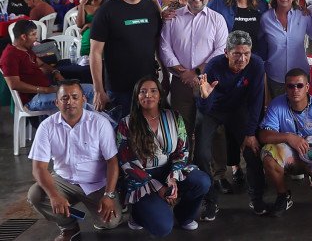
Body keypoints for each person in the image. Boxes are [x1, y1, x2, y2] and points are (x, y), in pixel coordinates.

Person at [27, 80, 122, 241]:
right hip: (63, 180)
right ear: (57, 102)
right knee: (36, 195)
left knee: (110, 222)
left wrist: (109, 195)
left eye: (74, 97)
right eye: (64, 98)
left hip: (96, 183)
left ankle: (99, 213)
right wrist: (54, 195)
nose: (69, 101)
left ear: (83, 99)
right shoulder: (46, 126)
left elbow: (112, 161)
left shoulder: (100, 123)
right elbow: (39, 168)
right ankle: (69, 227)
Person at [116, 77, 211, 236]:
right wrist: (159, 187)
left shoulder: (174, 116)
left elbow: (182, 150)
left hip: (169, 170)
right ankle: (138, 216)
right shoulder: (126, 123)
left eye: (153, 91)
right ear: (136, 97)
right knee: (162, 228)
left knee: (202, 181)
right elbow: (126, 162)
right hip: (141, 178)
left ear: (160, 95)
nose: (148, 95)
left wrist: (173, 177)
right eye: (143, 92)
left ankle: (184, 216)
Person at [194, 31, 266, 220]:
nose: (242, 59)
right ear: (226, 52)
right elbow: (203, 107)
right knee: (201, 153)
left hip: (237, 110)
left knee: (252, 149)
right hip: (213, 110)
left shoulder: (257, 65)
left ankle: (256, 198)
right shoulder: (213, 66)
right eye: (237, 54)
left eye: (246, 54)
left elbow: (256, 101)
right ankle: (210, 201)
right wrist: (204, 97)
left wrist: (250, 133)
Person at [258, 68, 312, 215]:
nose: (295, 90)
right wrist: (289, 137)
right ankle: (283, 195)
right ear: (285, 88)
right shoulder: (277, 105)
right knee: (267, 154)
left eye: (299, 85)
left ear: (307, 87)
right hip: (292, 154)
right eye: (290, 86)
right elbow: (264, 135)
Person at [159, 0, 228, 153]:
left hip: (208, 83)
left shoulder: (217, 19)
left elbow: (220, 51)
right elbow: (164, 48)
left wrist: (196, 71)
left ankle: (217, 174)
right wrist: (184, 73)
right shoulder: (173, 18)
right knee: (182, 129)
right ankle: (183, 169)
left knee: (213, 130)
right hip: (180, 83)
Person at [90, 0, 162, 119]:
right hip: (119, 89)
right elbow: (95, 53)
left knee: (147, 134)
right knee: (121, 138)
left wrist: (165, 81)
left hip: (147, 87)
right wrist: (98, 90)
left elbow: (157, 46)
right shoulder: (106, 11)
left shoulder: (151, 8)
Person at [1, 20, 95, 111]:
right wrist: (45, 90)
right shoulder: (10, 56)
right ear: (23, 37)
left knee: (91, 89)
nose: (36, 38)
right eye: (33, 34)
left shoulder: (26, 50)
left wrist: (55, 72)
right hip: (32, 99)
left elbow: (42, 64)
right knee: (88, 92)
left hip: (47, 90)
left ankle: (83, 122)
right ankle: (83, 123)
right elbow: (14, 84)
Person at [259, 0, 312, 98]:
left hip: (300, 76)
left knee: (300, 111)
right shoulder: (266, 18)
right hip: (276, 75)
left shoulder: (303, 16)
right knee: (279, 111)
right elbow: (260, 43)